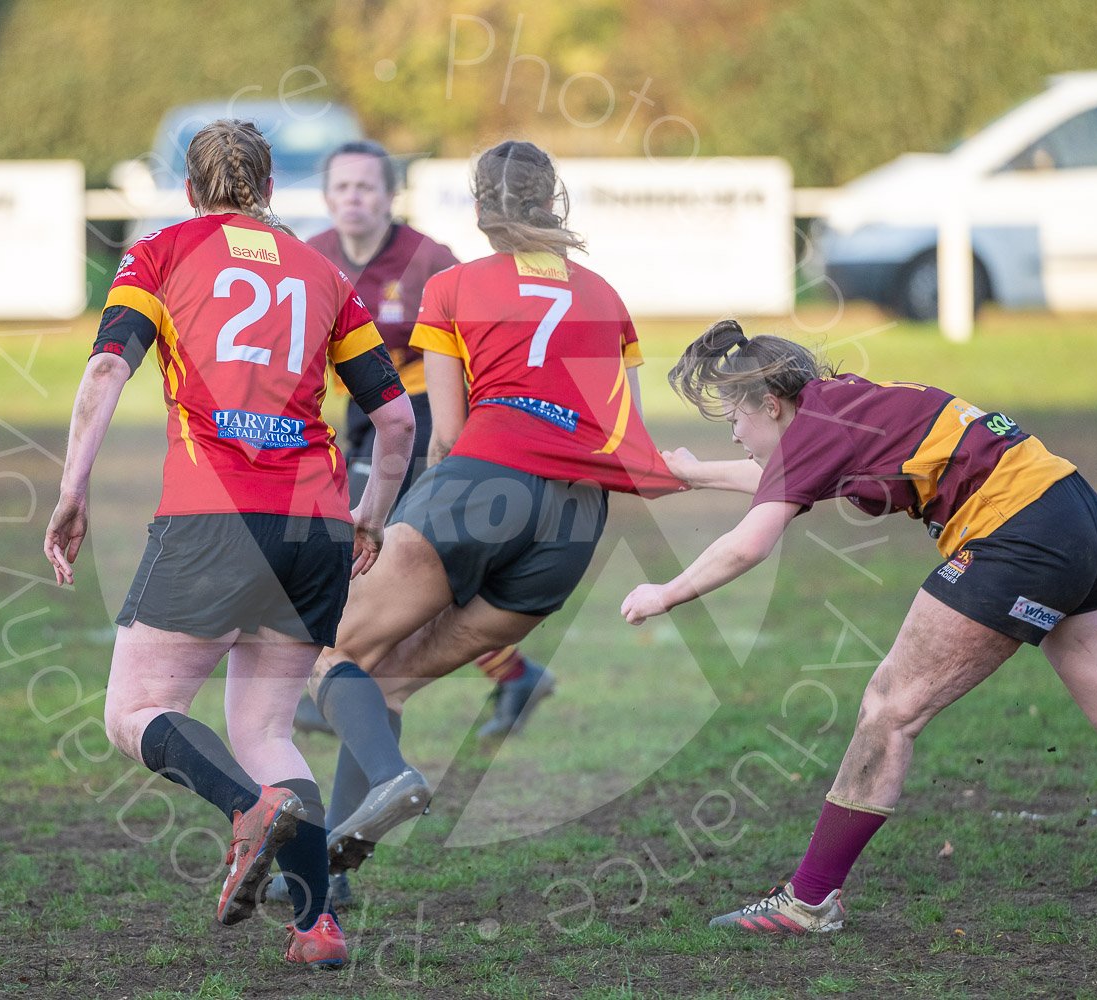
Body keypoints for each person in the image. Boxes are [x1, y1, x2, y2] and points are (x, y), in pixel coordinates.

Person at [620, 319, 1097, 934]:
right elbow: (787, 476)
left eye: (734, 417)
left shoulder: (816, 425)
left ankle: (809, 901)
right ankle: (811, 900)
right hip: (1076, 515)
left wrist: (666, 591)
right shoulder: (839, 406)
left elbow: (748, 545)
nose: (734, 433)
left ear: (771, 405)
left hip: (1019, 533)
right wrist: (694, 473)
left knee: (890, 708)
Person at [43, 119, 415, 969]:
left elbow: (107, 369)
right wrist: (371, 513)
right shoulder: (324, 273)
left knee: (133, 711)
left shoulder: (165, 251)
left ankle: (246, 810)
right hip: (315, 524)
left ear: (189, 189)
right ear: (272, 189)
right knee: (268, 731)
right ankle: (318, 926)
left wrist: (73, 488)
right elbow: (394, 418)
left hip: (216, 516)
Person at [303, 140, 686, 880]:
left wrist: (411, 520)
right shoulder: (608, 297)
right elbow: (621, 429)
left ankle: (389, 780)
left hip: (481, 485)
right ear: (553, 204)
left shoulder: (451, 286)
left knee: (330, 646)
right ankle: (332, 879)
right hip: (575, 525)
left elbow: (444, 434)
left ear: (479, 210)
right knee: (387, 683)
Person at [292, 140, 558, 748]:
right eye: (341, 187)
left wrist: (457, 430)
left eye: (366, 187)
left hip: (418, 412)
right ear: (328, 196)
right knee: (382, 560)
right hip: (360, 415)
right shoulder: (314, 257)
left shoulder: (428, 258)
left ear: (390, 196)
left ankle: (348, 679)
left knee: (361, 549)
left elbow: (476, 340)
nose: (353, 198)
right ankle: (512, 674)